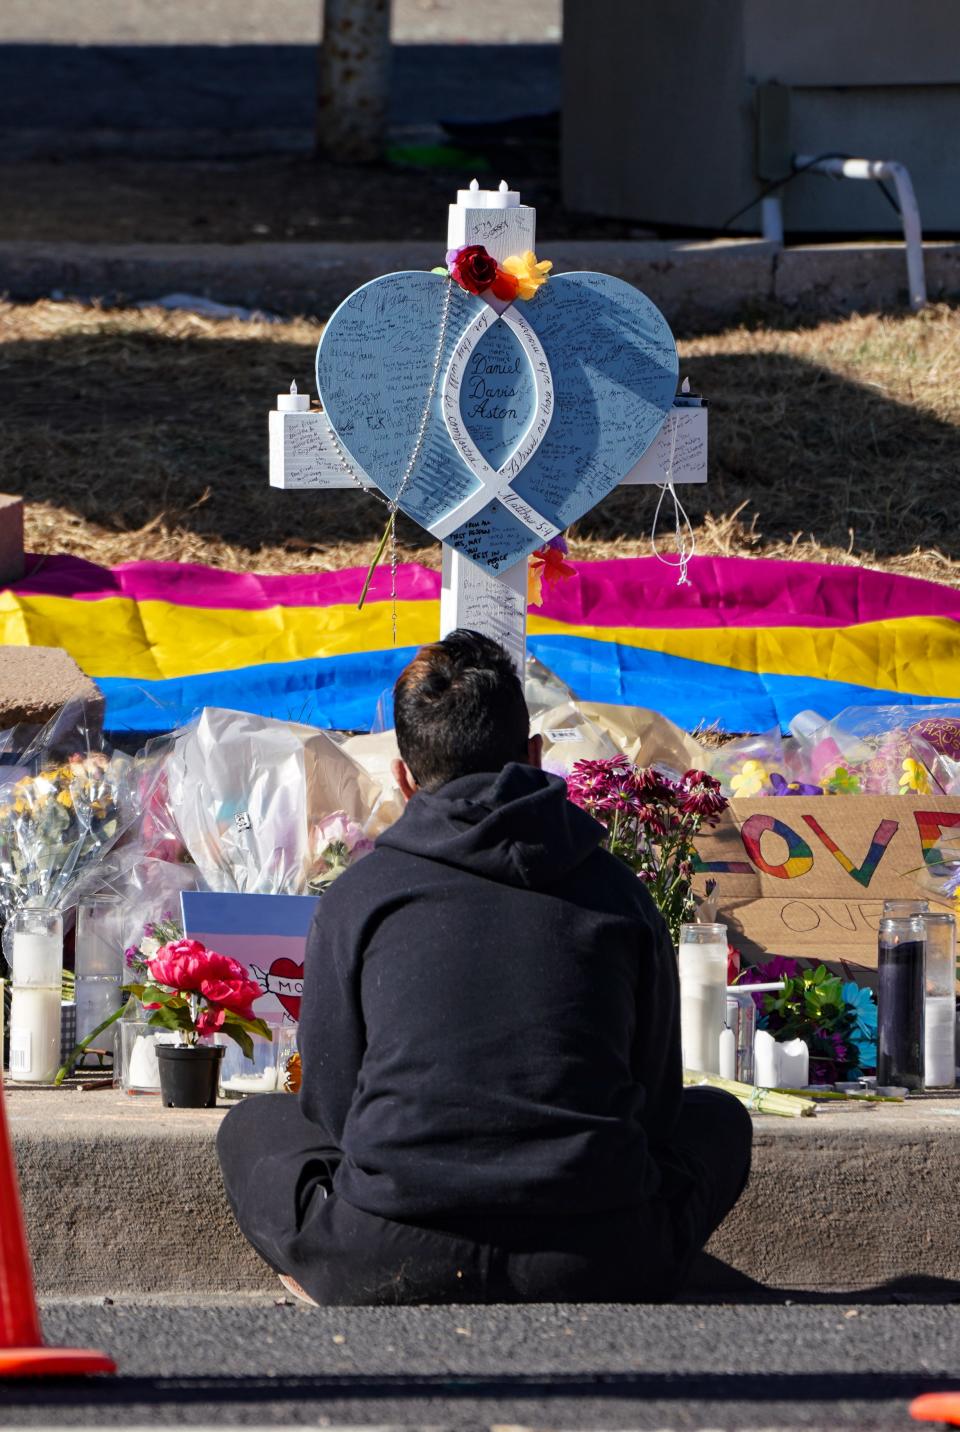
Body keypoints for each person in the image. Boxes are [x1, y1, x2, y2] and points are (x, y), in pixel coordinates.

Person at [218, 629, 752, 1305]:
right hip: (599, 1254)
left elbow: (330, 1102)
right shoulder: (619, 892)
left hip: (388, 1252)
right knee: (719, 1120)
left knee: (254, 1127)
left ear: (404, 778)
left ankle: (325, 1268)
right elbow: (657, 1098)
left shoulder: (361, 895)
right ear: (533, 755)